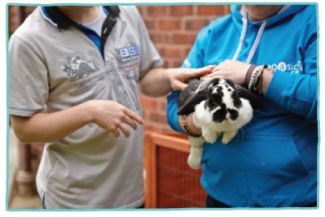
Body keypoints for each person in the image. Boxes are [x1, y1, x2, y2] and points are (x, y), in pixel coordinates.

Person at [9, 6, 213, 208]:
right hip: (72, 198)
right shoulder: (27, 40)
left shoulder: (127, 12)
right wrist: (88, 112)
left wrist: (168, 77)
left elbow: (145, 76)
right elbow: (24, 129)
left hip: (130, 192)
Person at [167, 4, 317, 207]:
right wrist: (195, 122)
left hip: (292, 200)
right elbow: (175, 103)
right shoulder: (213, 33)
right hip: (220, 195)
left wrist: (254, 75)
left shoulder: (313, 20)